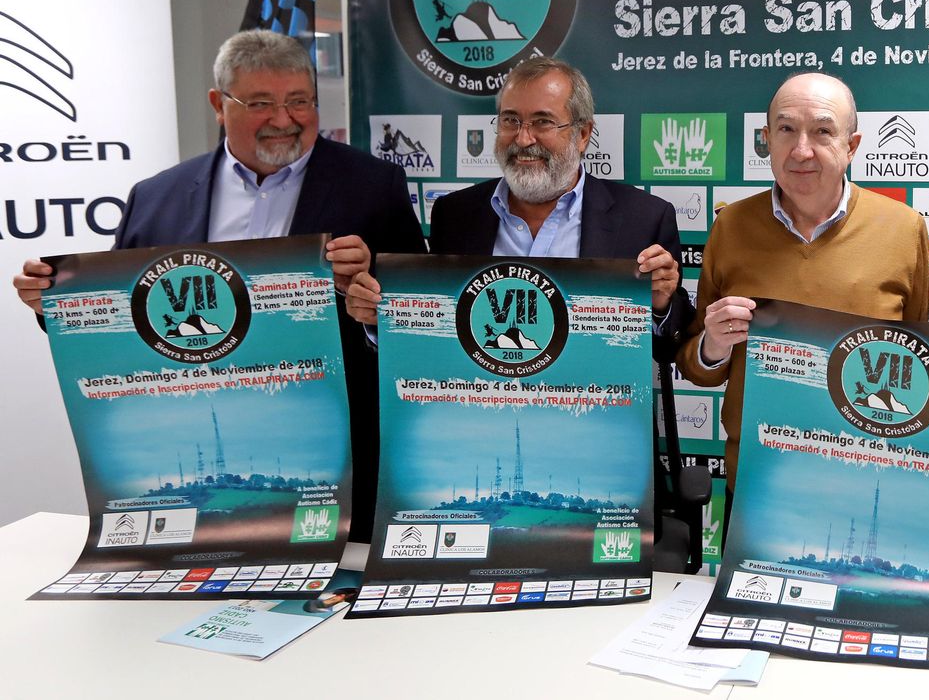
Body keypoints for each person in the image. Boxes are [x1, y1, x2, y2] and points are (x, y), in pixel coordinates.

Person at [12, 30, 426, 542]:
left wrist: (372, 286)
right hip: (187, 452)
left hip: (332, 458)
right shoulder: (155, 198)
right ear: (218, 104)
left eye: (300, 101)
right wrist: (51, 304)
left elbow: (416, 316)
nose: (283, 119)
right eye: (260, 103)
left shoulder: (374, 188)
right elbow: (122, 316)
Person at [676, 72, 929, 498]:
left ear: (851, 146)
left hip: (872, 479)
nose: (801, 150)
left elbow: (921, 358)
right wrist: (713, 346)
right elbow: (694, 366)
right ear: (767, 141)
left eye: (822, 131)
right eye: (787, 130)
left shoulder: (904, 229)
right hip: (760, 480)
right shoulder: (731, 227)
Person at [344, 57, 690, 360]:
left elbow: (670, 350)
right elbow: (435, 338)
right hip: (477, 421)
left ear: (583, 134)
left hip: (592, 423)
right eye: (510, 120)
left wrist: (660, 305)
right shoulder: (455, 214)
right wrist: (379, 321)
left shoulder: (643, 218)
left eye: (542, 122)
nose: (523, 139)